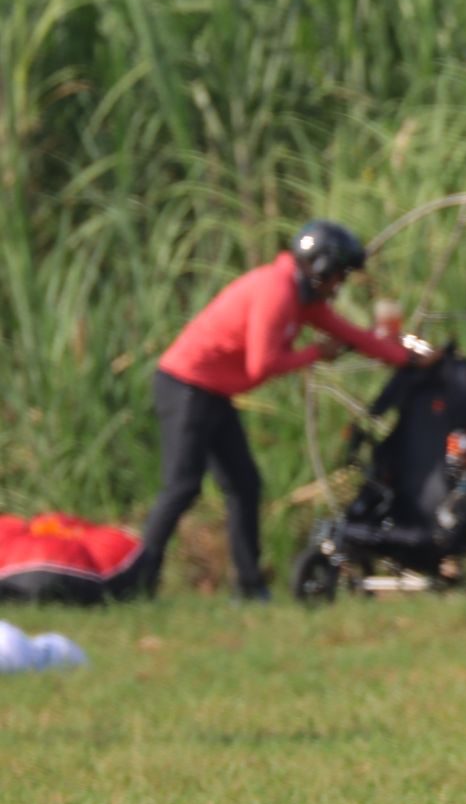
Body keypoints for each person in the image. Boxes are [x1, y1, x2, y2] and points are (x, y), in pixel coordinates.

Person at [135, 221, 437, 599]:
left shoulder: (303, 297)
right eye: (339, 275)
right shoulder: (275, 292)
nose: (339, 286)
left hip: (212, 393)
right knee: (182, 487)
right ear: (320, 268)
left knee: (245, 486)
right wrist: (315, 354)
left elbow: (353, 335)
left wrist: (409, 358)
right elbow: (261, 365)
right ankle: (137, 580)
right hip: (187, 386)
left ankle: (249, 588)